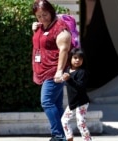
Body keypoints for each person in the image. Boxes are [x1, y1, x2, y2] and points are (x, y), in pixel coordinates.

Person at [31, 0, 71, 140]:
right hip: (43, 69)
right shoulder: (41, 26)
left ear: (51, 11)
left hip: (54, 71)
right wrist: (35, 29)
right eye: (39, 16)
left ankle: (58, 135)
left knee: (47, 101)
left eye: (45, 14)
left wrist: (59, 71)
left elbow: (64, 50)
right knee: (56, 104)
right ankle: (64, 135)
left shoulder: (60, 28)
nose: (42, 18)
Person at [61, 48, 93, 141]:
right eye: (75, 58)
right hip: (73, 102)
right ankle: (69, 137)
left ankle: (87, 140)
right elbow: (65, 81)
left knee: (81, 123)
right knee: (64, 120)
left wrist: (69, 79)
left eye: (80, 58)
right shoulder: (67, 70)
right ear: (70, 58)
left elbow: (80, 86)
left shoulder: (82, 72)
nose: (77, 60)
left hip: (81, 102)